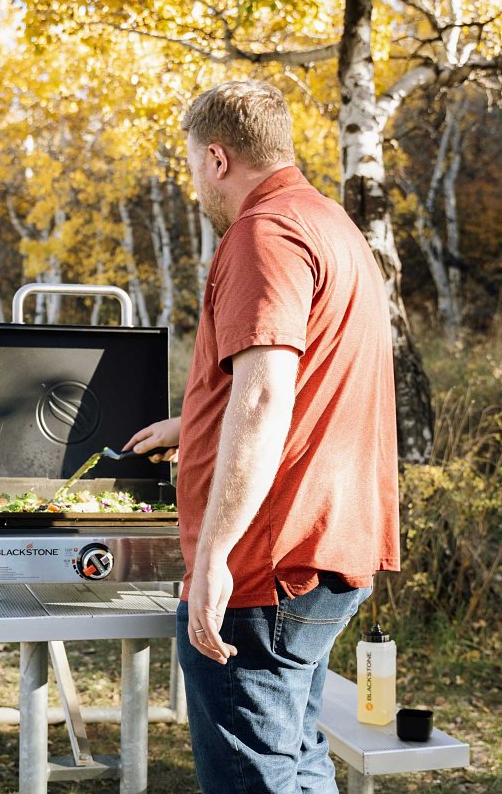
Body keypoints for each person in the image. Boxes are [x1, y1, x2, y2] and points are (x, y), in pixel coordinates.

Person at [122, 80, 400, 794]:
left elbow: (271, 390)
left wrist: (213, 556)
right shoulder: (330, 225)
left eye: (191, 168)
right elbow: (310, 377)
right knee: (297, 762)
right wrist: (197, 420)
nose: (195, 188)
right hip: (325, 549)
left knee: (260, 779)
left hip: (265, 565)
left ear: (216, 157)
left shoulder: (262, 230)